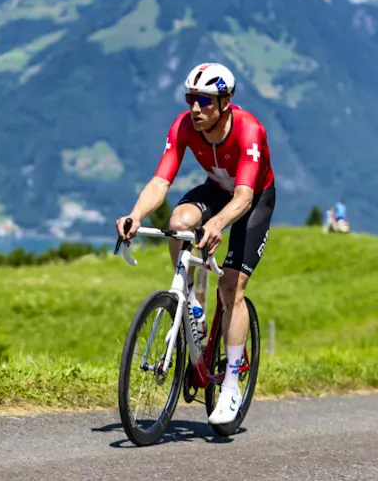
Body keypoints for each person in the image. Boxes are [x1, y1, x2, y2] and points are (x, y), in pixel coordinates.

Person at [115, 62, 276, 426]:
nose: (195, 108)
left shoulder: (249, 130)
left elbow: (245, 195)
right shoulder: (184, 126)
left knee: (230, 286)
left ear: (225, 101)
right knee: (178, 222)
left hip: (251, 200)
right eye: (191, 99)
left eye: (204, 101)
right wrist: (135, 215)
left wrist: (218, 223)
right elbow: (161, 181)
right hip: (217, 191)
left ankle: (232, 385)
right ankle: (192, 306)